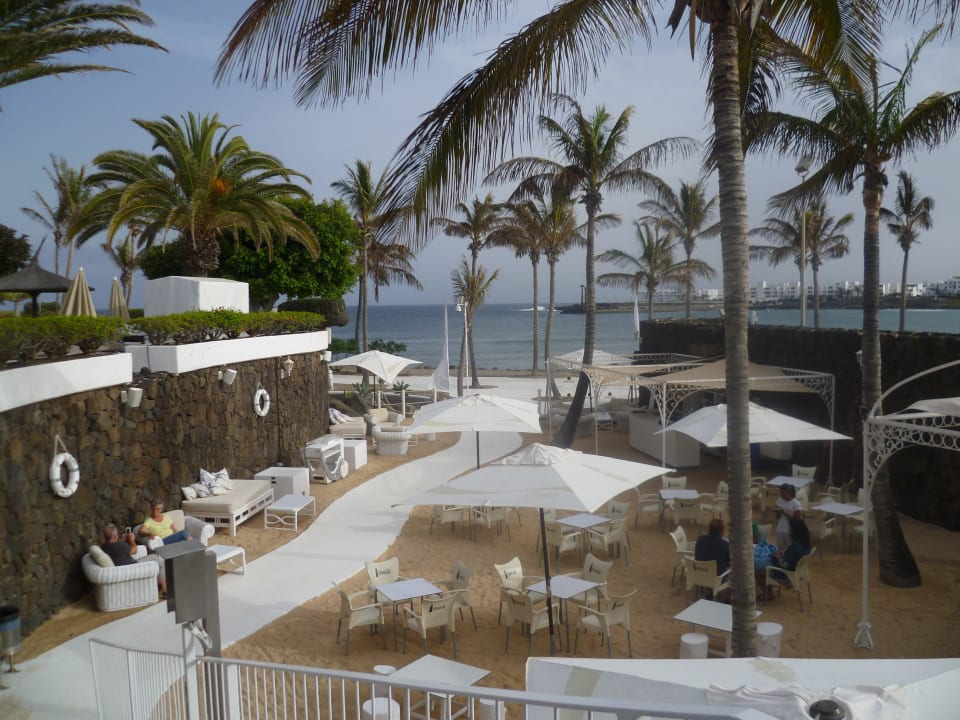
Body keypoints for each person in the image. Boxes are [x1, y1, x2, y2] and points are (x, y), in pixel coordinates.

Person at [767, 516, 812, 591]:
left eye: (790, 529)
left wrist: (778, 557)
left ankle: (768, 594)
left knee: (762, 571)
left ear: (795, 532)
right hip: (797, 573)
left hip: (786, 577)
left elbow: (785, 565)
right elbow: (793, 558)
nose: (789, 531)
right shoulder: (806, 545)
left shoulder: (794, 547)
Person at [774, 483, 803, 550]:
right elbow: (777, 517)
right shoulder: (779, 500)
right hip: (780, 529)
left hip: (791, 530)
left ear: (789, 493)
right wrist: (777, 512)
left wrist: (784, 512)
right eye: (780, 494)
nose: (781, 496)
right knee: (780, 548)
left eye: (783, 494)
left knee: (790, 549)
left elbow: (796, 519)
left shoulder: (796, 504)